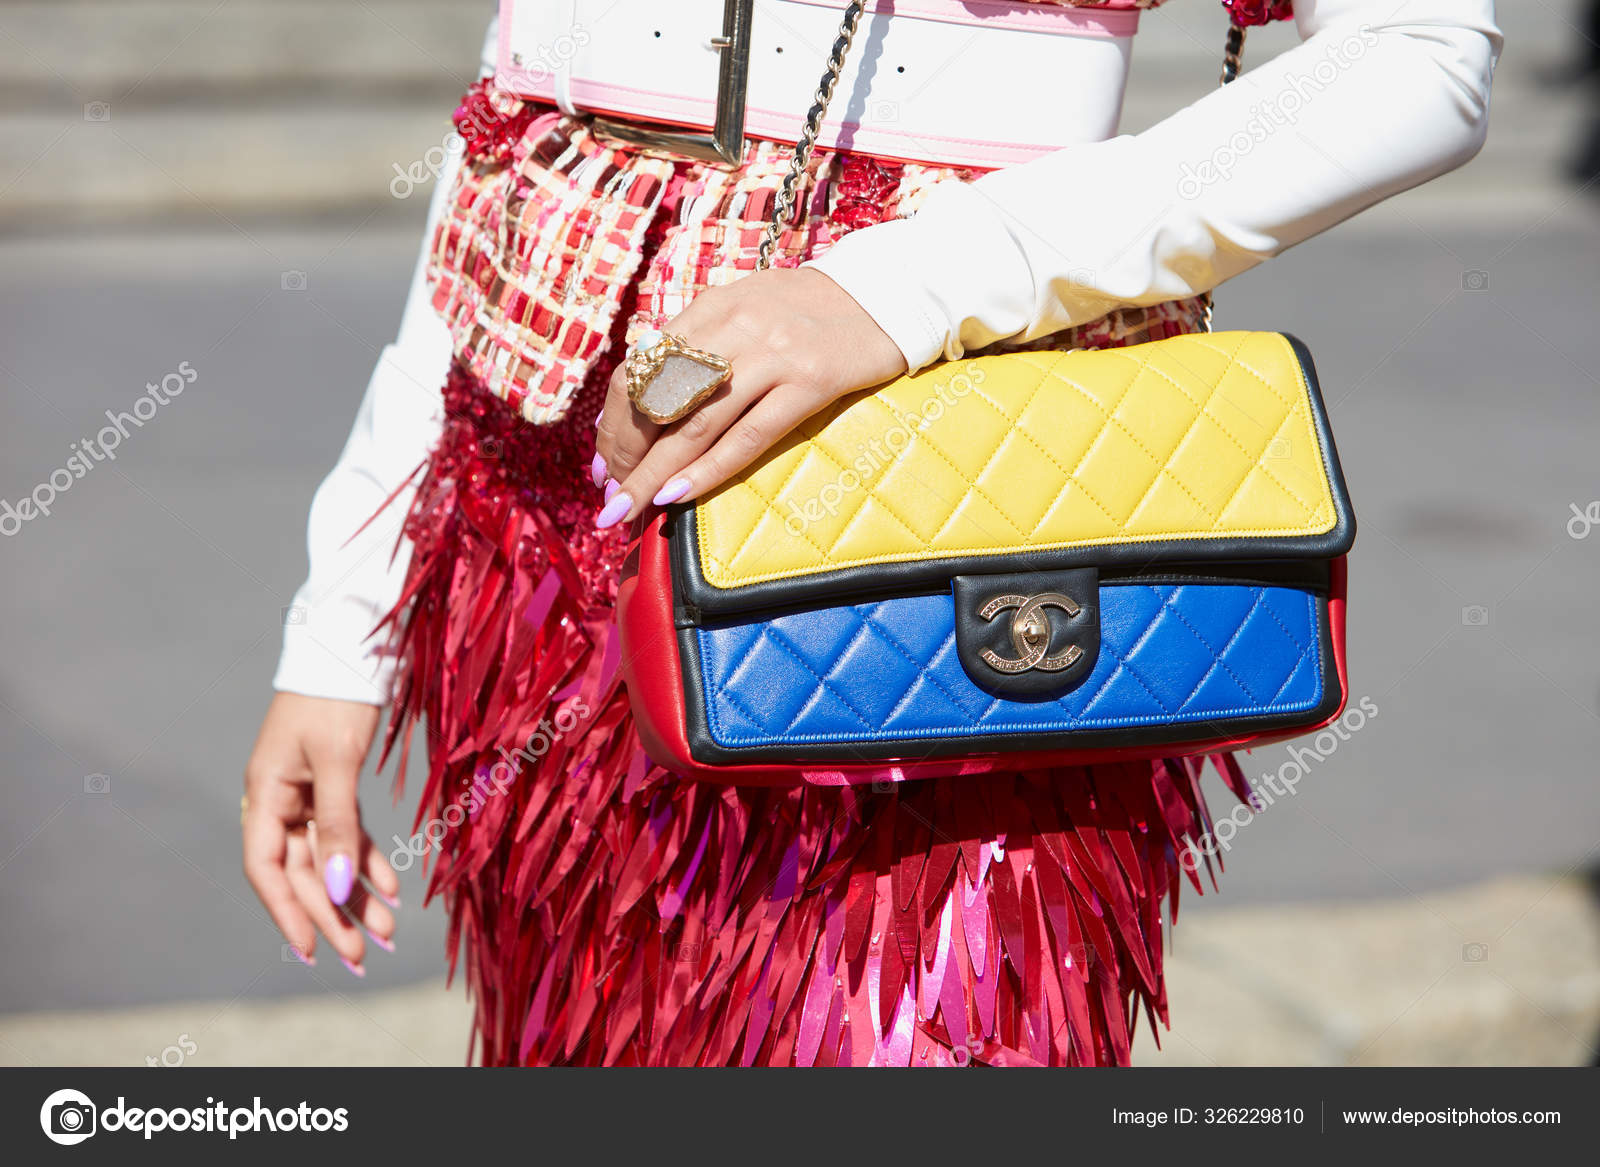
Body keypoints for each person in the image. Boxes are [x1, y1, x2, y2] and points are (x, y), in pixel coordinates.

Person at [243, 0, 1500, 1065]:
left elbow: (1421, 52)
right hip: (519, 559)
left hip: (931, 557)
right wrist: (341, 621)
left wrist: (894, 290)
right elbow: (512, 126)